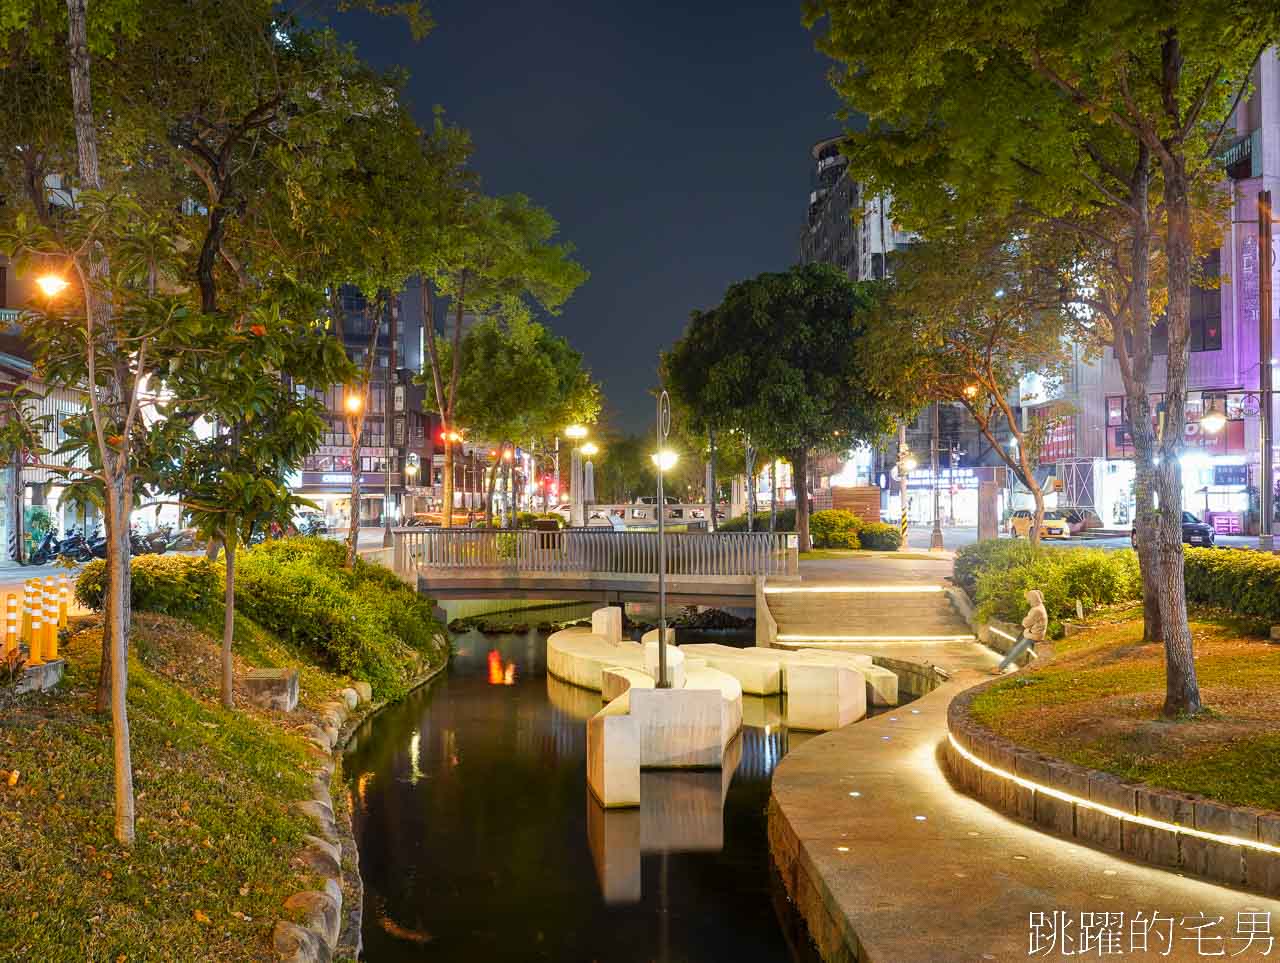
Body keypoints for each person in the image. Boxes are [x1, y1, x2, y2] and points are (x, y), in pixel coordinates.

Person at [993, 589, 1047, 674]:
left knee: (1016, 650)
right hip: (1034, 633)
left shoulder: (1036, 610)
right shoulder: (1040, 606)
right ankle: (1004, 666)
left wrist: (1026, 623)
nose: (1028, 601)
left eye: (1029, 599)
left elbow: (1025, 623)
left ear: (1032, 599)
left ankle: (1001, 668)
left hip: (1034, 635)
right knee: (1016, 646)